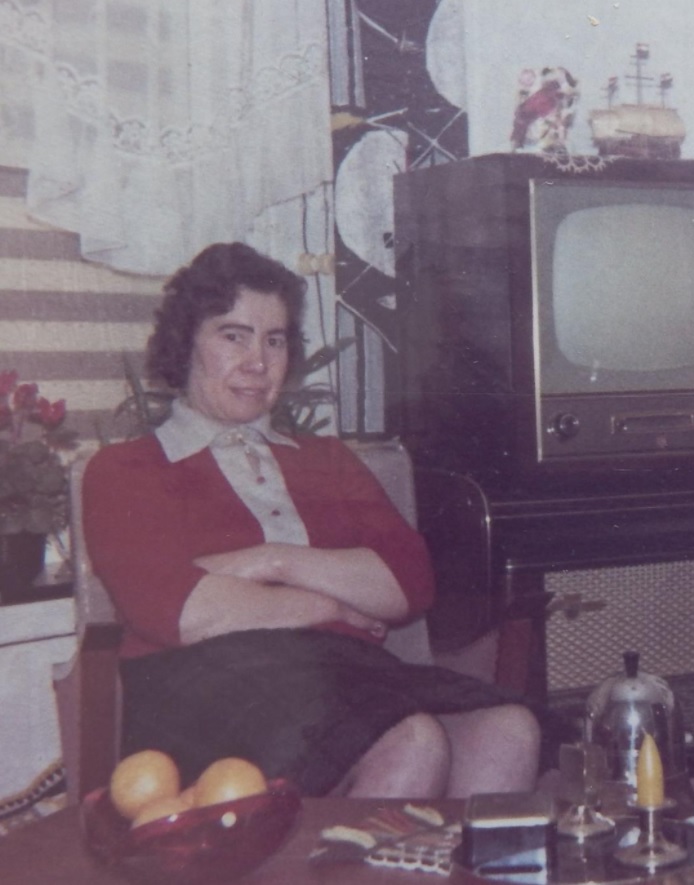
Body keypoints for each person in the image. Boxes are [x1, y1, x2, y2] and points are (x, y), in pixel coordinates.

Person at [83, 242, 541, 799]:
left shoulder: (328, 460)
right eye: (234, 336)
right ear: (186, 344)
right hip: (199, 686)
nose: (258, 362)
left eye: (274, 340)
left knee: (508, 732)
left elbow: (408, 584)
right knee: (413, 742)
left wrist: (272, 562)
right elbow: (182, 613)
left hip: (341, 675)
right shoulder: (127, 469)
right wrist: (332, 605)